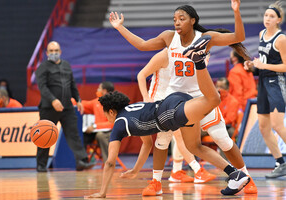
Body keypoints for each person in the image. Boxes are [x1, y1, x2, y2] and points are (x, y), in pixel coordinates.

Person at [108, 0, 257, 195]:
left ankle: (246, 177)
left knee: (222, 139)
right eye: (174, 19)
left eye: (181, 19)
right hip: (175, 97)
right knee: (164, 139)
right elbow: (143, 45)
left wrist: (236, 12)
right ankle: (156, 183)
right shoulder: (169, 37)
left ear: (193, 20)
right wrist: (120, 27)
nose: (176, 22)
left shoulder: (206, 37)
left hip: (200, 95)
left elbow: (239, 36)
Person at [87, 36, 250, 198]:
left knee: (212, 100)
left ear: (111, 112)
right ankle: (235, 175)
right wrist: (135, 170)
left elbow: (109, 162)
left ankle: (199, 61)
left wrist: (102, 192)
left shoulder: (119, 124)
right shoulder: (130, 110)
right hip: (172, 101)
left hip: (168, 113)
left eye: (104, 113)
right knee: (194, 146)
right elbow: (147, 144)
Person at [121, 48, 216, 184]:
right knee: (178, 134)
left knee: (179, 135)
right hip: (158, 99)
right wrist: (146, 97)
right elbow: (141, 75)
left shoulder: (185, 54)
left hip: (173, 98)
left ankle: (177, 171)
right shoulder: (164, 55)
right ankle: (197, 170)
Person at [35, 41, 95, 172]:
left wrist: (78, 99)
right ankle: (41, 165)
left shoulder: (66, 65)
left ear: (60, 52)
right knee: (45, 136)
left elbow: (72, 84)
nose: (54, 53)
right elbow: (42, 87)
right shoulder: (42, 67)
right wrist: (53, 100)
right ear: (47, 53)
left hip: (67, 107)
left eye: (56, 50)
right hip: (49, 108)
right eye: (51, 51)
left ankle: (81, 161)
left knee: (74, 134)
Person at [244, 1, 286, 178]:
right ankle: (281, 163)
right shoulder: (262, 34)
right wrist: (252, 65)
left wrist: (264, 64)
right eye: (266, 15)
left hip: (277, 83)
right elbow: (262, 61)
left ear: (278, 20)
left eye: (271, 16)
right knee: (263, 127)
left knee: (277, 125)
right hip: (262, 83)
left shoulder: (281, 39)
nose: (267, 18)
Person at [82, 81, 114, 162]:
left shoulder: (114, 103)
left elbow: (112, 123)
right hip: (96, 131)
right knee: (82, 134)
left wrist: (95, 126)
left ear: (105, 91)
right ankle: (83, 160)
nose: (97, 90)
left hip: (111, 132)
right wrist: (68, 100)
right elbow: (82, 104)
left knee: (100, 135)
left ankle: (109, 162)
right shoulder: (96, 102)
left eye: (99, 88)